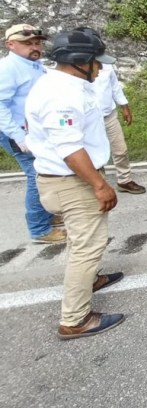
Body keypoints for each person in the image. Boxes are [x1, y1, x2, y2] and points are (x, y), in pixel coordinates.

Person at [25, 29, 125, 339]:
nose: (100, 68)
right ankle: (75, 319)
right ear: (79, 61)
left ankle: (91, 279)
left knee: (79, 240)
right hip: (73, 181)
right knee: (87, 247)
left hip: (68, 178)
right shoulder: (61, 95)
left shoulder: (65, 85)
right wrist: (99, 184)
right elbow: (70, 148)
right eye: (97, 62)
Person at [0, 23, 65, 244]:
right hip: (18, 133)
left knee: (43, 172)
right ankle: (39, 229)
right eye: (27, 43)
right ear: (11, 44)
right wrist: (17, 136)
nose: (35, 47)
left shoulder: (33, 64)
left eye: (37, 43)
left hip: (34, 131)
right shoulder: (8, 68)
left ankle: (46, 215)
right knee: (37, 177)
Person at [75, 28, 146, 195]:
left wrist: (125, 106)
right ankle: (97, 183)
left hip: (109, 115)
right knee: (91, 153)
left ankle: (124, 180)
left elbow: (115, 87)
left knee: (120, 149)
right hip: (87, 119)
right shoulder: (74, 71)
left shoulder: (105, 64)